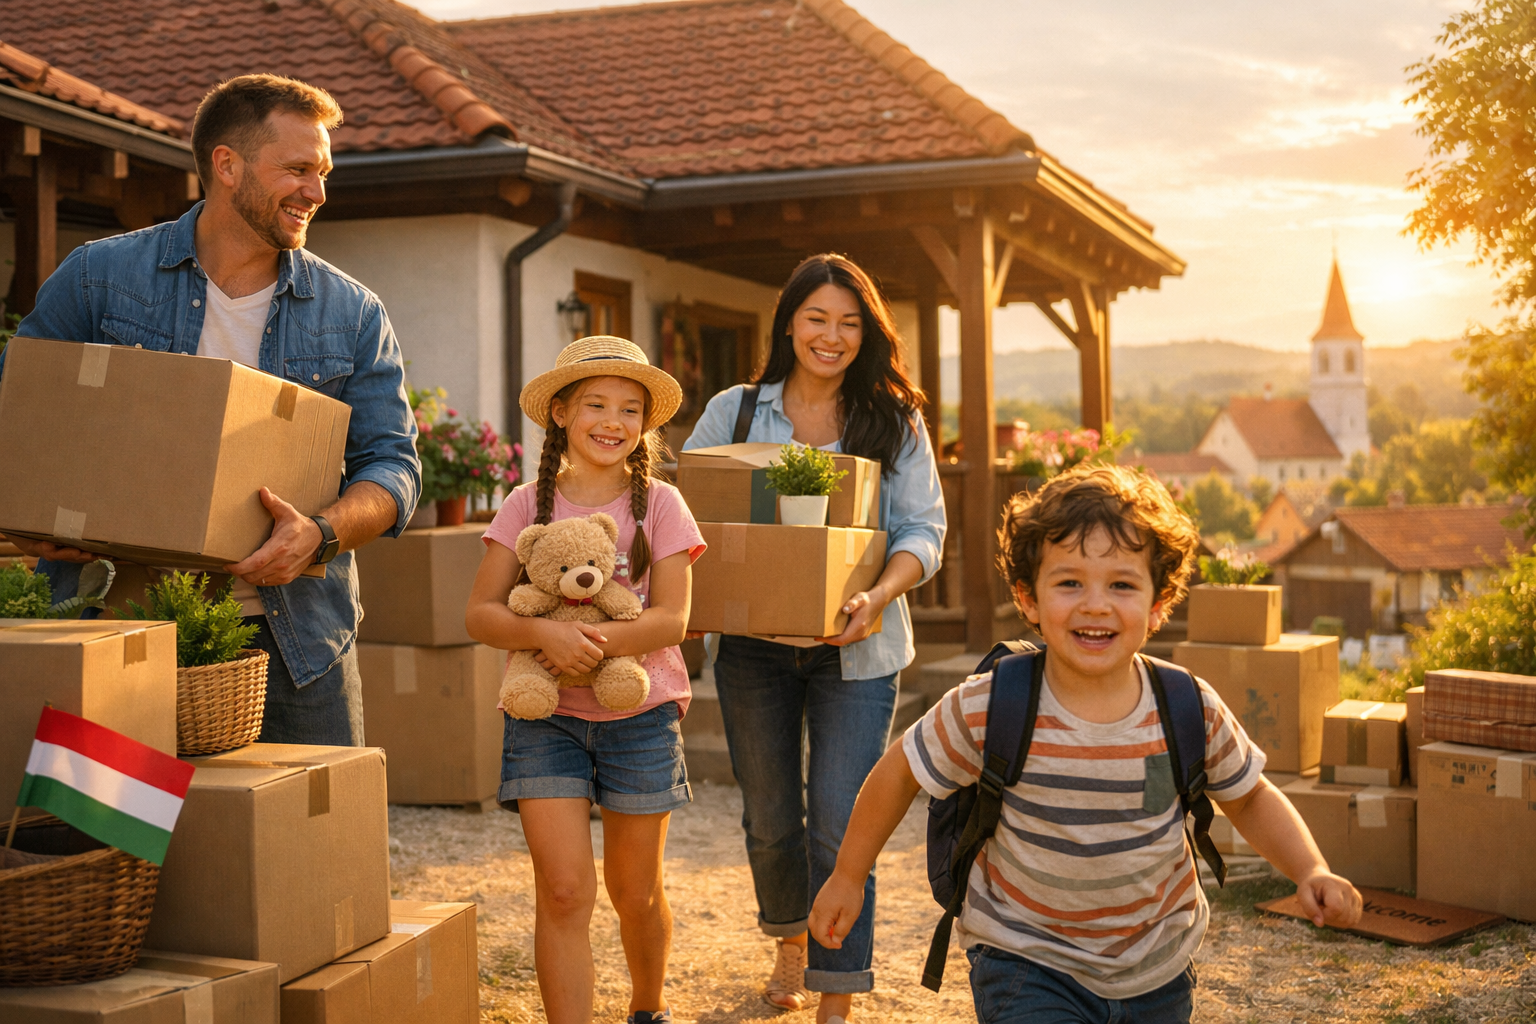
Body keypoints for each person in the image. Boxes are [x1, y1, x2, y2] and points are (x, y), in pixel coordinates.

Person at [808, 465, 1364, 1024]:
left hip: (1158, 967)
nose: (1095, 604)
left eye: (1121, 584)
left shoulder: (1186, 707)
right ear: (1028, 597)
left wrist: (1310, 869)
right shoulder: (992, 703)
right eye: (1069, 582)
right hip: (1025, 959)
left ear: (1158, 603)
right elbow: (900, 769)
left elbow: (1249, 798)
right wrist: (848, 875)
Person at [1, 74, 419, 746]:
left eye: (323, 172)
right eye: (299, 169)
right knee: (116, 842)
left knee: (297, 845)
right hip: (116, 620)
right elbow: (16, 412)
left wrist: (321, 532)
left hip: (292, 641)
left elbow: (394, 466)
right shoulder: (98, 277)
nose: (317, 192)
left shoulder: (354, 312)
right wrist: (27, 518)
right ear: (227, 165)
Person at [681, 254, 946, 1024]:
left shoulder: (892, 420)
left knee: (841, 819)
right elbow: (684, 511)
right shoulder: (734, 413)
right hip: (752, 650)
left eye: (850, 323)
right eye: (818, 319)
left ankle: (839, 988)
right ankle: (790, 937)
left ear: (868, 335)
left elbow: (924, 531)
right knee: (769, 817)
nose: (832, 337)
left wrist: (877, 594)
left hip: (856, 648)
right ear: (789, 323)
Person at [465, 335, 704, 1024]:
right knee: (565, 892)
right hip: (544, 720)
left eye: (630, 408)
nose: (613, 420)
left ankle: (647, 1008)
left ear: (645, 425)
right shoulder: (524, 506)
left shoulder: (661, 505)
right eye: (596, 403)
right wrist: (544, 633)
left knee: (635, 893)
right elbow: (481, 614)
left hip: (642, 715)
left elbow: (671, 621)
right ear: (562, 412)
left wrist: (591, 648)